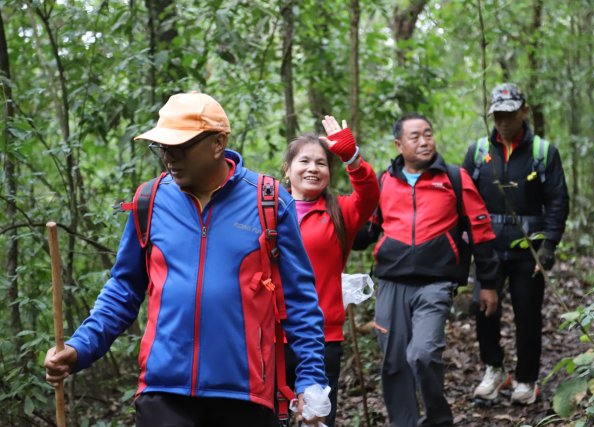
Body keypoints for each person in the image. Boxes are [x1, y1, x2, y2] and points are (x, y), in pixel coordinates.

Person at [44, 91, 329, 427]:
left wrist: (311, 378)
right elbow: (123, 289)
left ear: (218, 143)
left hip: (245, 394)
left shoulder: (268, 200)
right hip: (164, 391)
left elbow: (299, 300)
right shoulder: (149, 200)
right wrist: (80, 348)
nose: (169, 157)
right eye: (163, 148)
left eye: (180, 148)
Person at [354, 113, 499, 427]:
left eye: (428, 134)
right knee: (393, 362)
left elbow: (481, 232)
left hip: (436, 281)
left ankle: (437, 419)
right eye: (415, 136)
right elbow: (367, 230)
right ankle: (403, 422)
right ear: (399, 144)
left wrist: (488, 283)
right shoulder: (385, 181)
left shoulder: (454, 178)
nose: (424, 141)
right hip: (391, 281)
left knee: (422, 354)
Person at [462, 83, 569, 405]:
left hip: (528, 249)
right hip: (487, 248)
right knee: (485, 310)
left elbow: (557, 201)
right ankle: (494, 369)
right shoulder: (479, 151)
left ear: (523, 112)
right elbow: (464, 198)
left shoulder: (542, 152)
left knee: (528, 314)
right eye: (497, 115)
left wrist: (549, 246)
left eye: (509, 114)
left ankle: (526, 378)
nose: (503, 122)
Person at [282, 116, 380, 426]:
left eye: (321, 163)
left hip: (322, 334)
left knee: (318, 418)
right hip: (270, 335)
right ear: (288, 170)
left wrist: (351, 158)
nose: (313, 168)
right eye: (305, 161)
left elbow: (370, 195)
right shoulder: (267, 209)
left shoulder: (341, 211)